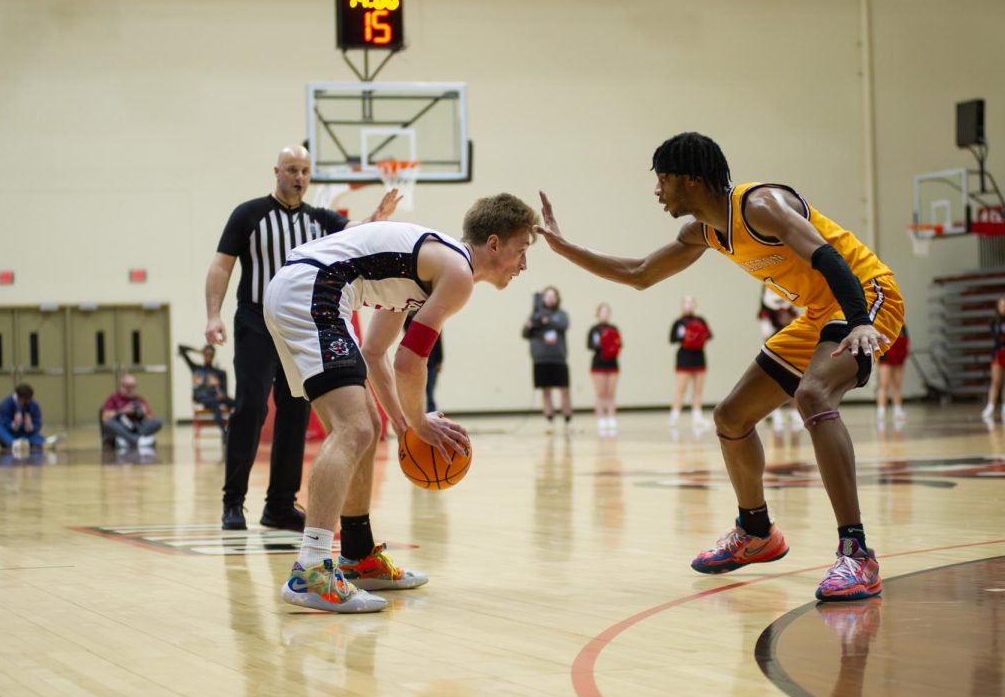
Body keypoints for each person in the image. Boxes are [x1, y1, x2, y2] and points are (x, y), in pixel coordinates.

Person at [535, 131, 903, 602]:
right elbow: (639, 274)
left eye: (663, 179)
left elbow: (828, 255)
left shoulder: (761, 205)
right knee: (731, 416)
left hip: (867, 295)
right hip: (817, 314)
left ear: (690, 179)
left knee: (813, 394)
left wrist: (857, 322)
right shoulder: (704, 231)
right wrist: (564, 248)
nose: (657, 190)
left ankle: (857, 554)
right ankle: (756, 532)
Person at [264, 192, 537, 613]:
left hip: (302, 289)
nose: (524, 265)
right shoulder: (457, 273)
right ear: (495, 244)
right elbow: (410, 362)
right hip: (313, 290)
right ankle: (311, 569)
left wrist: (402, 424)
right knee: (353, 429)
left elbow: (376, 351)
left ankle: (357, 556)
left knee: (365, 426)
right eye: (522, 251)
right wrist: (419, 422)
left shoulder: (423, 269)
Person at [205, 145, 400, 531]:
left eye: (305, 171)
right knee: (249, 408)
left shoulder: (320, 219)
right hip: (256, 319)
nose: (299, 177)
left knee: (295, 411)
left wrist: (376, 219)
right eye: (292, 169)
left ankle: (279, 505)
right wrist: (213, 314)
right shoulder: (248, 214)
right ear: (276, 171)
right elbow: (220, 265)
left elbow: (354, 232)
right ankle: (233, 502)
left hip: (298, 324)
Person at [522, 286, 572, 433]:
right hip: (541, 360)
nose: (550, 298)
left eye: (552, 296)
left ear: (557, 298)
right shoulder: (535, 316)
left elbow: (563, 325)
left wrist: (545, 319)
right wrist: (533, 322)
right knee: (546, 391)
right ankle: (549, 422)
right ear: (543, 298)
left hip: (559, 359)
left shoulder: (561, 314)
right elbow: (525, 333)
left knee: (565, 390)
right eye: (547, 296)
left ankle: (568, 421)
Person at [758, 286, 804, 432]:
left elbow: (799, 326)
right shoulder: (766, 313)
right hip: (774, 349)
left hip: (791, 349)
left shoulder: (791, 311)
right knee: (775, 384)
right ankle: (775, 412)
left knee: (795, 381)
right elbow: (766, 332)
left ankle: (794, 412)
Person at [669, 295, 712, 430]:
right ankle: (674, 417)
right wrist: (685, 335)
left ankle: (697, 417)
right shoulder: (678, 322)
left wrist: (698, 335)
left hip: (698, 356)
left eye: (691, 302)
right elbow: (672, 339)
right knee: (681, 388)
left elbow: (709, 335)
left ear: (695, 305)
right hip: (684, 357)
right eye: (686, 302)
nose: (689, 305)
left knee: (698, 389)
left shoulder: (701, 320)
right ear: (682, 305)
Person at [178, 344, 234, 439]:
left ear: (213, 355)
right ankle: (224, 433)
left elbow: (224, 391)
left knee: (237, 403)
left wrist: (222, 394)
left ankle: (235, 429)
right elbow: (181, 348)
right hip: (203, 398)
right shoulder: (196, 368)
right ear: (203, 354)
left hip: (217, 397)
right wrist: (198, 351)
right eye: (206, 353)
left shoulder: (219, 372)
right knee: (214, 402)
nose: (208, 355)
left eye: (210, 354)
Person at [100, 375, 163, 458]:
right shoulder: (114, 398)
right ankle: (137, 441)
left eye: (133, 387)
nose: (130, 389)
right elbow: (105, 417)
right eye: (127, 387)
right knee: (109, 423)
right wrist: (123, 411)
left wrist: (144, 413)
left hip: (137, 427)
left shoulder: (139, 399)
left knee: (157, 422)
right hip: (121, 427)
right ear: (122, 386)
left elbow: (150, 419)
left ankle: (128, 440)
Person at [587, 303, 622, 436]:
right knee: (600, 393)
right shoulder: (594, 330)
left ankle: (612, 418)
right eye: (602, 312)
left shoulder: (614, 328)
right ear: (598, 314)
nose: (605, 314)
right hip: (598, 364)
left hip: (612, 364)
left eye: (607, 312)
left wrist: (612, 347)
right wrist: (602, 343)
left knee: (611, 393)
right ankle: (601, 419)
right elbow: (589, 345)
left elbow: (619, 344)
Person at [0, 384, 57, 452]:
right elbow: (3, 422)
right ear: (18, 397)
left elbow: (38, 424)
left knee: (33, 436)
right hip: (9, 434)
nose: (25, 403)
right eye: (23, 400)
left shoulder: (34, 405)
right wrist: (14, 424)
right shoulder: (5, 404)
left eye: (27, 400)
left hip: (24, 434)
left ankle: (43, 442)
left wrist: (30, 426)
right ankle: (13, 443)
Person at [402, 313, 443, 413]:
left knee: (429, 394)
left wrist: (439, 360)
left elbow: (438, 340)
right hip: (415, 362)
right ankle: (417, 419)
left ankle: (431, 416)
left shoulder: (434, 317)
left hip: (430, 363)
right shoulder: (409, 319)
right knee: (415, 394)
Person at [875, 325, 909, 427]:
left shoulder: (902, 325)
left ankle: (897, 410)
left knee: (897, 385)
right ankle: (880, 412)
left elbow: (906, 342)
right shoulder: (883, 323)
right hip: (886, 357)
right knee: (884, 385)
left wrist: (902, 355)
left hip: (898, 358)